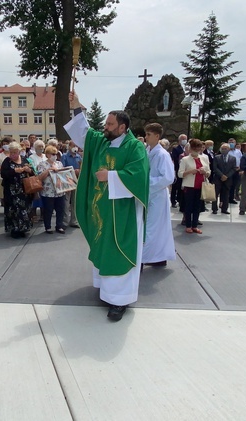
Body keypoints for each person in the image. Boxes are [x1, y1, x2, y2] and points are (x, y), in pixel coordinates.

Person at [65, 92, 149, 322]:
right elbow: (84, 132)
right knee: (103, 247)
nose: (105, 126)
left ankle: (119, 301)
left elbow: (139, 175)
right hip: (102, 209)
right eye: (105, 122)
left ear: (122, 127)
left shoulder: (135, 147)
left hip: (123, 213)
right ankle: (106, 290)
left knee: (119, 250)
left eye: (110, 124)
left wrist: (110, 176)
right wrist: (76, 108)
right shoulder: (102, 140)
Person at [142, 123, 175, 266]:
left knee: (151, 228)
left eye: (148, 134)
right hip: (149, 195)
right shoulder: (147, 151)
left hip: (157, 195)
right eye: (146, 134)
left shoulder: (163, 154)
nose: (146, 137)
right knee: (153, 228)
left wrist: (145, 182)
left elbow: (168, 177)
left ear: (157, 136)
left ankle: (145, 258)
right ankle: (159, 257)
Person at [0, 141, 34, 238]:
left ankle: (24, 228)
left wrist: (29, 170)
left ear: (19, 152)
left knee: (24, 209)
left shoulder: (25, 159)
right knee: (13, 210)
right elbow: (3, 174)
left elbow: (33, 172)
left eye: (14, 152)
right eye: (11, 152)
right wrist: (14, 171)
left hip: (24, 190)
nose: (12, 155)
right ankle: (14, 230)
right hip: (12, 191)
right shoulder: (7, 161)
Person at [179, 139, 210, 233]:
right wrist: (190, 171)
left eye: (198, 148)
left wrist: (205, 172)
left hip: (201, 185)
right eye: (194, 148)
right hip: (189, 186)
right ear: (190, 149)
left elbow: (209, 172)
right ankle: (188, 225)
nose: (196, 150)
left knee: (198, 206)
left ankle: (195, 225)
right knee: (189, 206)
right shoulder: (184, 159)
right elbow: (180, 174)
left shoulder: (204, 158)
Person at [36, 145, 66, 234]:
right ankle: (48, 227)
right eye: (53, 154)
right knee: (48, 210)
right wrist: (49, 170)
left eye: (55, 154)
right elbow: (40, 177)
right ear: (48, 154)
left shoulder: (59, 164)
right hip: (48, 191)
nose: (54, 156)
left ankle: (59, 225)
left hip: (59, 191)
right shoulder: (42, 164)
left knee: (60, 209)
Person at [61, 142, 82, 228]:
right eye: (73, 146)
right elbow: (62, 168)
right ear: (69, 147)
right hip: (67, 181)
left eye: (76, 145)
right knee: (66, 202)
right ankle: (65, 221)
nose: (75, 147)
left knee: (75, 201)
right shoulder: (64, 156)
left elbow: (82, 167)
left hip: (76, 180)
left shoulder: (79, 157)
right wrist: (72, 170)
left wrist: (79, 170)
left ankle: (74, 220)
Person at [212, 142, 236, 215]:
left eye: (225, 149)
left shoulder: (233, 158)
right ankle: (214, 209)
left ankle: (224, 209)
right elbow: (215, 168)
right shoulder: (216, 157)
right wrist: (222, 175)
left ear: (229, 149)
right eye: (222, 149)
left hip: (228, 179)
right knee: (215, 194)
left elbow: (233, 169)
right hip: (218, 178)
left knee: (226, 194)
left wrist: (226, 176)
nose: (224, 150)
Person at [170, 135, 186, 210]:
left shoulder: (187, 148)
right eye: (183, 139)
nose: (184, 140)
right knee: (175, 187)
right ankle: (173, 201)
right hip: (177, 169)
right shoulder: (176, 149)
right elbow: (175, 159)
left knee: (181, 187)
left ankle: (180, 200)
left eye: (185, 139)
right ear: (179, 140)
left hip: (184, 171)